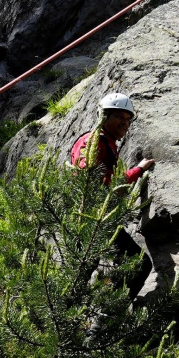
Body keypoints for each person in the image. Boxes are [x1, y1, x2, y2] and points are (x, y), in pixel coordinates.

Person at [69, 91, 157, 294]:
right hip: (91, 217)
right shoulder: (92, 141)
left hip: (97, 217)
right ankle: (106, 311)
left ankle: (104, 308)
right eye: (119, 116)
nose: (125, 123)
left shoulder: (105, 142)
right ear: (104, 116)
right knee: (138, 264)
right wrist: (138, 170)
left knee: (85, 271)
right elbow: (89, 174)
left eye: (128, 119)